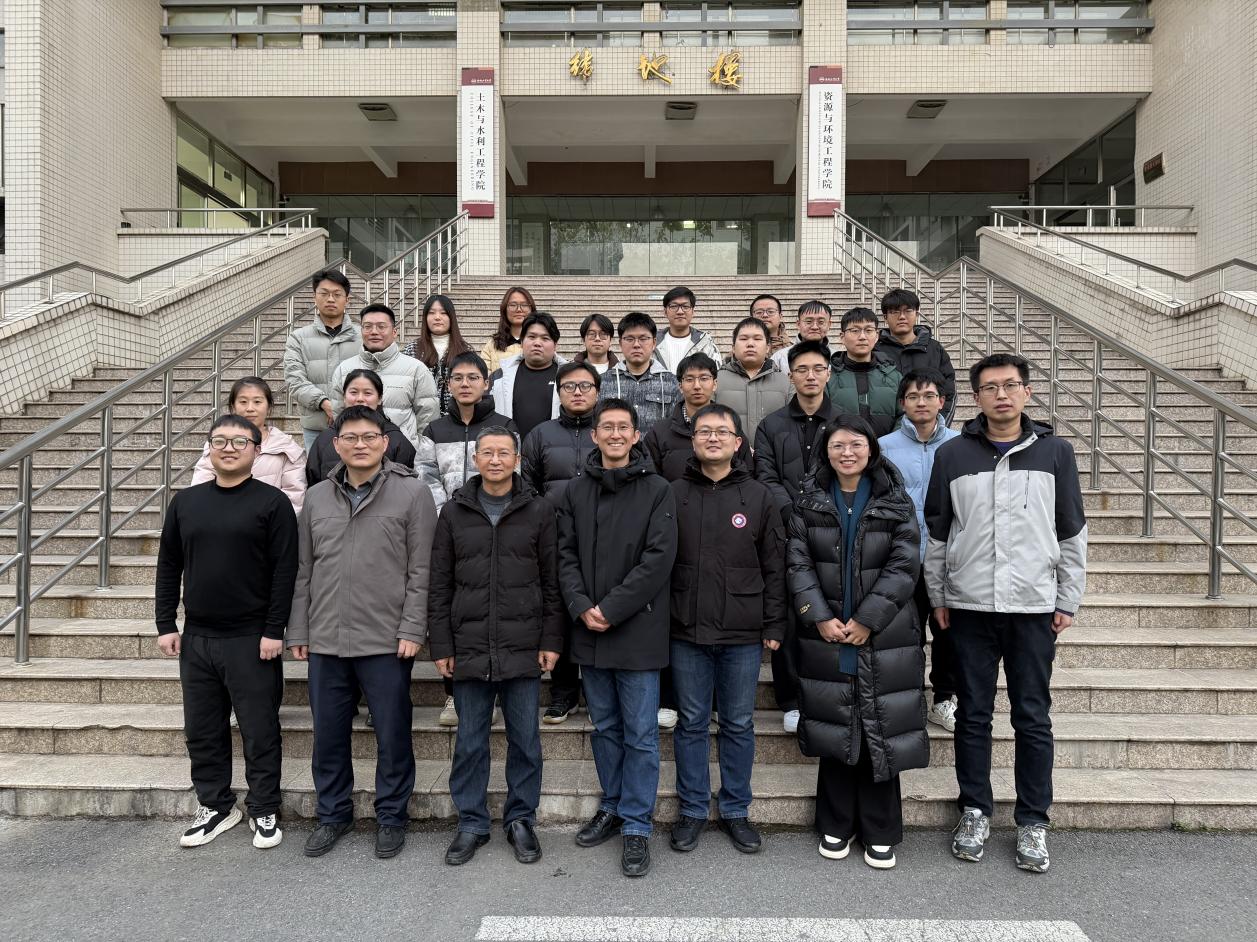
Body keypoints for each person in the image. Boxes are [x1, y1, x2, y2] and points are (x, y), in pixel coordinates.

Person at [925, 353, 1087, 875]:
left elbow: (1071, 531)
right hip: (969, 606)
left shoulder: (1056, 453)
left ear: (1027, 392)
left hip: (1032, 607)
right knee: (973, 714)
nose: (1001, 395)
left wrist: (1067, 598)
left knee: (1031, 716)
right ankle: (974, 810)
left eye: (1011, 385)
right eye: (991, 387)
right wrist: (938, 596)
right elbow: (938, 532)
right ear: (976, 397)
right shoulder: (952, 454)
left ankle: (1033, 820)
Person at [287, 405, 439, 861]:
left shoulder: (412, 493)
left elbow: (422, 570)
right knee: (328, 735)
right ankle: (332, 814)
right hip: (326, 637)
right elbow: (304, 569)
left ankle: (391, 816)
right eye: (350, 437)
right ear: (335, 444)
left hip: (386, 638)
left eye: (369, 436)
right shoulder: (317, 497)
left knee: (392, 734)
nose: (360, 444)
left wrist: (413, 627)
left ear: (385, 442)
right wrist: (300, 628)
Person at [787, 415, 928, 871]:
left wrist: (868, 619)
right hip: (827, 633)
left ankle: (880, 829)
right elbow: (797, 563)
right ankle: (835, 822)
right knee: (837, 726)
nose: (846, 453)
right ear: (825, 451)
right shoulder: (808, 500)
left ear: (871, 449)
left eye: (856, 444)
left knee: (877, 727)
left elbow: (904, 566)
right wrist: (818, 616)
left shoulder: (895, 500)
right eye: (837, 445)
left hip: (884, 634)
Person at [155, 414, 298, 850]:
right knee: (201, 729)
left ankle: (264, 807)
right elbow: (168, 564)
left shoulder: (272, 503)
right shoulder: (186, 502)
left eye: (240, 441)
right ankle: (215, 805)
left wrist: (274, 629)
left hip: (251, 638)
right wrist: (165, 623)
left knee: (259, 728)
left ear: (257, 449)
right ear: (209, 449)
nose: (229, 448)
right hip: (198, 637)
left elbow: (285, 571)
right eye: (220, 441)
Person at [428, 426, 564, 867]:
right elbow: (439, 584)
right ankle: (471, 822)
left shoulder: (538, 510)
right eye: (487, 452)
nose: (495, 460)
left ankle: (520, 818)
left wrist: (551, 638)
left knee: (525, 740)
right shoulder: (454, 511)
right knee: (470, 741)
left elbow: (552, 581)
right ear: (476, 459)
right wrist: (441, 644)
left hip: (522, 644)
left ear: (517, 460)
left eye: (504, 453)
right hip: (468, 644)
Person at [557, 399, 677, 878]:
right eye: (606, 426)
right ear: (594, 435)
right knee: (605, 727)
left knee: (641, 735)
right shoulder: (574, 491)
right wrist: (581, 605)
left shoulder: (658, 489)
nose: (614, 434)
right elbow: (564, 554)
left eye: (623, 427)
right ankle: (612, 803)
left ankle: (637, 825)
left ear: (635, 435)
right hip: (589, 628)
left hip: (637, 629)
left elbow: (658, 559)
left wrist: (611, 608)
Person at [668, 404, 786, 856]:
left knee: (738, 723)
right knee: (692, 723)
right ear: (693, 440)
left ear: (738, 443)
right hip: (685, 628)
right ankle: (693, 809)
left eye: (722, 431)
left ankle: (736, 809)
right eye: (704, 431)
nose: (712, 438)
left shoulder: (758, 496)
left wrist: (774, 622)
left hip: (741, 630)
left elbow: (774, 566)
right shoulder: (673, 493)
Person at [416, 351, 516, 728]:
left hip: (497, 527)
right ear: (448, 384)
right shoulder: (435, 430)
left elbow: (513, 471)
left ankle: (497, 693)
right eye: (457, 378)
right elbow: (425, 475)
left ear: (486, 383)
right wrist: (450, 514)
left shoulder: (505, 425)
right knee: (455, 609)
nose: (465, 384)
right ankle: (452, 693)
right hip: (450, 529)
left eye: (473, 377)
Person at [753, 340, 838, 734]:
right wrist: (793, 514)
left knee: (828, 611)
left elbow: (851, 471)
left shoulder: (845, 422)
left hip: (833, 531)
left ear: (828, 374)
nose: (810, 376)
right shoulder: (771, 425)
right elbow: (766, 477)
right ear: (790, 376)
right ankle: (790, 699)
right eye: (802, 369)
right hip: (785, 532)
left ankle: (825, 694)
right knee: (789, 616)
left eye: (817, 369)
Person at [879, 369, 960, 732]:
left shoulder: (960, 445)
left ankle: (943, 699)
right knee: (903, 635)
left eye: (929, 396)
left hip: (948, 558)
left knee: (947, 633)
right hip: (902, 556)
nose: (921, 402)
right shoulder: (883, 447)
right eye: (913, 396)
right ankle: (907, 700)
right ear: (903, 403)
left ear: (942, 401)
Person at [521, 361, 601, 726]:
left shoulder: (609, 429)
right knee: (562, 611)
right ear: (559, 392)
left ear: (597, 391)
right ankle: (564, 693)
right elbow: (527, 486)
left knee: (597, 610)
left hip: (603, 538)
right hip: (555, 537)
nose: (578, 392)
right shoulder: (540, 434)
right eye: (569, 386)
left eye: (585, 386)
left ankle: (598, 694)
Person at [329, 303, 439, 448]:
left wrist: (420, 454)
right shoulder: (344, 369)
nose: (374, 332)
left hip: (402, 454)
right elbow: (338, 415)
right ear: (361, 331)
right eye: (367, 327)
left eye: (381, 326)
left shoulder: (416, 369)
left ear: (394, 332)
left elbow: (428, 419)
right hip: (356, 452)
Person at [191, 377, 306, 512]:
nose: (250, 408)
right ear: (233, 407)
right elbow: (200, 491)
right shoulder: (218, 445)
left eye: (257, 402)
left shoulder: (287, 448)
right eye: (243, 402)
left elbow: (294, 498)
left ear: (269, 406)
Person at [643, 352, 750, 486]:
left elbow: (747, 475)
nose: (697, 386)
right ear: (680, 386)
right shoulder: (659, 433)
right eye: (689, 379)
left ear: (715, 384)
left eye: (704, 378)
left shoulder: (730, 428)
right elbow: (650, 481)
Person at [284, 269, 362, 450]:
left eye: (337, 294)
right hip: (316, 426)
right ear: (314, 297)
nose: (330, 299)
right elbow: (294, 380)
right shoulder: (298, 338)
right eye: (324, 293)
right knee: (317, 468)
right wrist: (324, 403)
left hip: (359, 424)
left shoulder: (362, 336)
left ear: (347, 299)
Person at [306, 368, 417, 488]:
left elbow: (405, 486)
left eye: (367, 393)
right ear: (344, 397)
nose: (360, 398)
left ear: (380, 398)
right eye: (353, 392)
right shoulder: (325, 439)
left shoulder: (396, 440)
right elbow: (314, 483)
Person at [876, 288, 957, 422]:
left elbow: (949, 393)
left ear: (917, 314)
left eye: (908, 311)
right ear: (885, 317)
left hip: (929, 427)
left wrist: (938, 427)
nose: (902, 317)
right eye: (895, 312)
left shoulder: (934, 349)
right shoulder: (875, 351)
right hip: (887, 429)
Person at [489, 312, 566, 443]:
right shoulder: (499, 377)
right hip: (509, 450)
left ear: (555, 345)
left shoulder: (568, 377)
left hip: (553, 450)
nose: (537, 343)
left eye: (545, 338)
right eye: (531, 337)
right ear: (521, 342)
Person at [601, 312, 681, 437]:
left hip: (658, 449)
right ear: (620, 343)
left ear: (654, 343)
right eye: (629, 339)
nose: (636, 345)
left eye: (643, 339)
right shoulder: (603, 381)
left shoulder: (672, 382)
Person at [826, 307, 902, 438]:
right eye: (855, 330)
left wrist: (890, 444)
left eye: (868, 330)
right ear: (842, 337)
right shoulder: (828, 377)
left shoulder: (893, 376)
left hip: (887, 449)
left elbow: (905, 415)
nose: (862, 337)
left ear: (877, 336)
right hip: (844, 449)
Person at [714, 316, 791, 442]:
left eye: (757, 339)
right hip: (728, 452)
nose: (750, 344)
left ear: (768, 347)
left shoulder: (785, 382)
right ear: (733, 347)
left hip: (773, 453)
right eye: (743, 339)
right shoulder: (715, 381)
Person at [401, 294, 472, 417]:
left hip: (457, 419)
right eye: (432, 313)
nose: (437, 317)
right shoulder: (411, 350)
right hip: (420, 419)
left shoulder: (465, 350)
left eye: (443, 313)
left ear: (451, 317)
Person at [654, 286, 721, 374]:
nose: (680, 312)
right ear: (665, 312)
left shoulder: (706, 343)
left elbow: (715, 375)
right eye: (674, 306)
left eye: (685, 306)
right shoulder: (652, 342)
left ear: (693, 311)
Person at [479, 285, 535, 375]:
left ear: (532, 309)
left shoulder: (540, 343)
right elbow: (483, 377)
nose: (519, 309)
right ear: (504, 309)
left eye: (524, 305)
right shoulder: (492, 345)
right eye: (513, 305)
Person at [771, 300, 832, 371]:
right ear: (798, 324)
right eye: (809, 322)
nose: (814, 327)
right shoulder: (780, 358)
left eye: (821, 322)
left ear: (829, 324)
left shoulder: (837, 358)